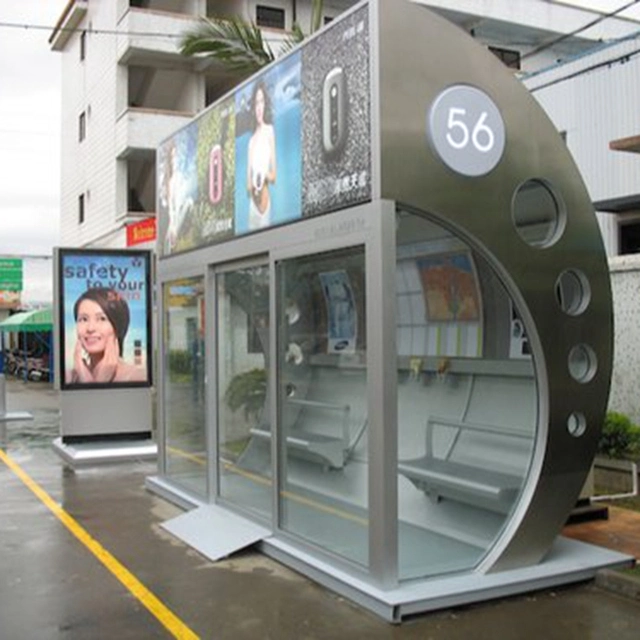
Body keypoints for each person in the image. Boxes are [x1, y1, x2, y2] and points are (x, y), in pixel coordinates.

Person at [66, 287, 147, 384]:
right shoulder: (69, 377)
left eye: (102, 319)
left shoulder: (137, 377)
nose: (90, 328)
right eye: (84, 319)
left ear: (117, 327)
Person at [247, 80, 277, 230]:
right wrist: (253, 187)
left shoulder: (270, 131)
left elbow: (274, 176)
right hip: (253, 206)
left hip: (265, 206)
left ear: (265, 105)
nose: (259, 107)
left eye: (262, 102)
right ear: (253, 107)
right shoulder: (251, 141)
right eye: (256, 103)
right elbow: (248, 184)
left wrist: (263, 176)